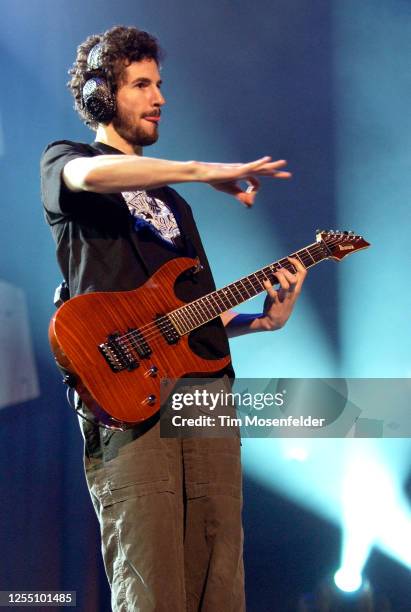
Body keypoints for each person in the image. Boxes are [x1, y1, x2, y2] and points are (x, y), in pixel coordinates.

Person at [40, 25, 306, 612]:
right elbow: (90, 177)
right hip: (125, 390)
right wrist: (197, 168)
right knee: (151, 579)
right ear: (100, 96)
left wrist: (256, 324)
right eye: (141, 84)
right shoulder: (70, 159)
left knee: (220, 575)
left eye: (159, 83)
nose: (160, 97)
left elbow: (182, 320)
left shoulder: (174, 202)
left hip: (204, 394)